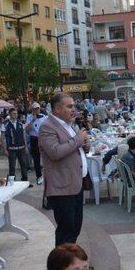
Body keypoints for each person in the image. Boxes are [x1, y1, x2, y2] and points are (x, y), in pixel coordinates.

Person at [39, 92, 90, 246]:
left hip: (75, 184)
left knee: (75, 228)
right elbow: (55, 152)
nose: (73, 109)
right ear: (57, 109)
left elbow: (74, 147)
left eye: (73, 105)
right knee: (66, 231)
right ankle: (62, 266)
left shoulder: (70, 125)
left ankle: (71, 264)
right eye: (69, 106)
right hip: (62, 188)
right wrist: (79, 139)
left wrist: (85, 146)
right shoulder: (47, 127)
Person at [1, 108, 28, 183]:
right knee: (12, 166)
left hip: (21, 147)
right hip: (11, 149)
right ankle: (11, 183)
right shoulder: (5, 124)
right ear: (9, 114)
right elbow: (2, 138)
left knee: (23, 165)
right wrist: (5, 150)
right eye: (13, 113)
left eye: (16, 113)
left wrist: (26, 146)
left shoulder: (20, 123)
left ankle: (25, 181)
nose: (15, 115)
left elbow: (24, 135)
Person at [25, 102, 46, 185]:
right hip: (34, 139)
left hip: (43, 138)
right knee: (36, 159)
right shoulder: (29, 117)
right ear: (32, 110)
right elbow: (27, 129)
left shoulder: (43, 116)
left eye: (38, 108)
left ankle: (48, 175)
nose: (37, 110)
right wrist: (33, 120)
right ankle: (39, 176)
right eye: (35, 109)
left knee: (46, 157)